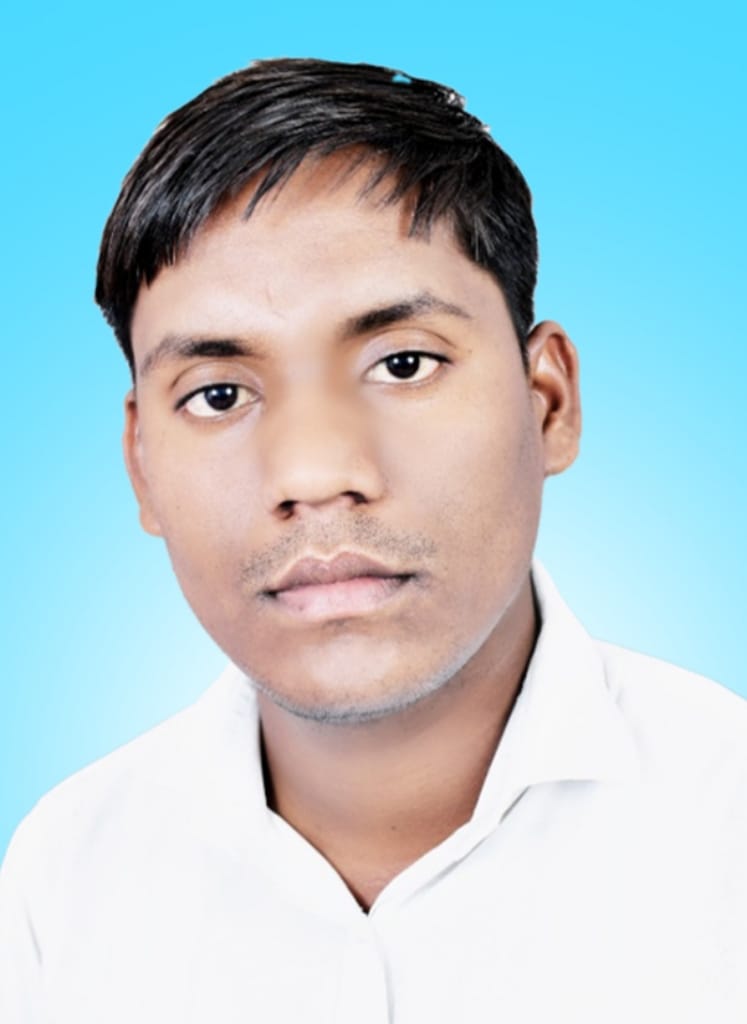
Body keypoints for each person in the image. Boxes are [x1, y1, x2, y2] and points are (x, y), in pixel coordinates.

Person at [1, 58, 745, 1023]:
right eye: (218, 395)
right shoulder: (64, 876)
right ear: (142, 466)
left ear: (547, 402)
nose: (314, 472)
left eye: (402, 364)